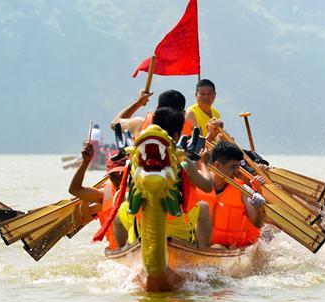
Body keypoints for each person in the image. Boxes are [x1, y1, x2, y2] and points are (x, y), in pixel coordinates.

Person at [113, 107, 214, 247]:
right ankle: (203, 252)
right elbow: (208, 186)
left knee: (117, 217)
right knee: (203, 208)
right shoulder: (183, 160)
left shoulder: (138, 155)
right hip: (177, 217)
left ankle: (122, 251)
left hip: (141, 215)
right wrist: (204, 164)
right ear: (178, 135)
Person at [195, 141, 266, 248]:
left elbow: (258, 223)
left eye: (238, 167)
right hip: (196, 243)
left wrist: (258, 206)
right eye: (233, 167)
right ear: (217, 165)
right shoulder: (198, 179)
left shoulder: (242, 190)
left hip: (226, 247)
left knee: (217, 248)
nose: (237, 172)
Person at [110, 89, 192, 138]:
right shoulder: (189, 132)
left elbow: (114, 124)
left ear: (156, 108)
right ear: (183, 113)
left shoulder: (140, 124)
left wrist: (138, 103)